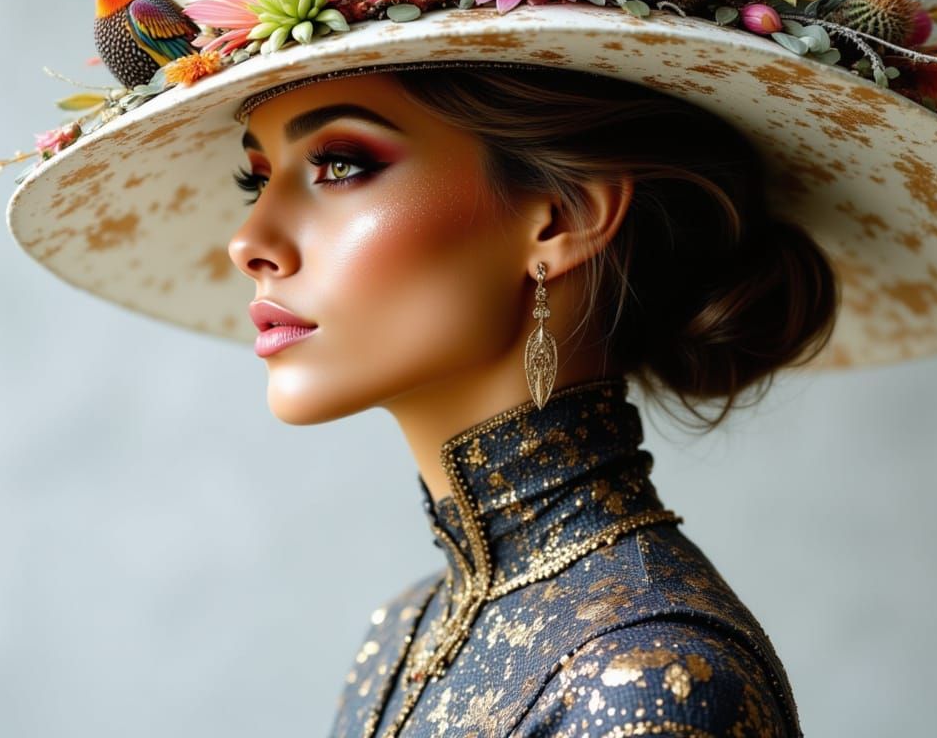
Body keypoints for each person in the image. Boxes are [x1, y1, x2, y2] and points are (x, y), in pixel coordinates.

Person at [226, 59, 839, 737]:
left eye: (339, 165)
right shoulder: (405, 633)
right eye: (256, 179)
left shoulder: (648, 679)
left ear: (562, 216)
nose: (248, 241)